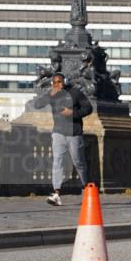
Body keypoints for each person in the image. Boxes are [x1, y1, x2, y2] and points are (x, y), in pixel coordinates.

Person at [33, 73, 92, 206]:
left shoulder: (75, 93)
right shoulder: (52, 94)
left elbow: (88, 108)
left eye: (59, 82)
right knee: (57, 162)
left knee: (78, 162)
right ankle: (56, 194)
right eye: (54, 83)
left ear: (64, 82)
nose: (57, 85)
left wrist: (73, 113)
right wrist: (49, 94)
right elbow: (37, 105)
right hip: (58, 133)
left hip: (74, 134)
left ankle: (85, 190)